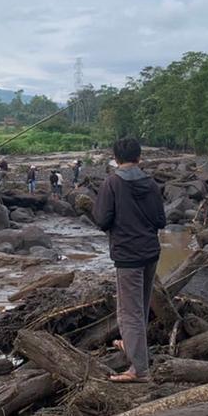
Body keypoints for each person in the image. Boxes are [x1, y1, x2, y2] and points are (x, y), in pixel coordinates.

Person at [92, 137, 166, 383]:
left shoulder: (112, 183)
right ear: (139, 157)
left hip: (127, 255)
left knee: (128, 312)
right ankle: (134, 348)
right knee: (140, 308)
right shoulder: (151, 183)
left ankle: (139, 370)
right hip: (150, 252)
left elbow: (102, 220)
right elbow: (160, 221)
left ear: (116, 158)